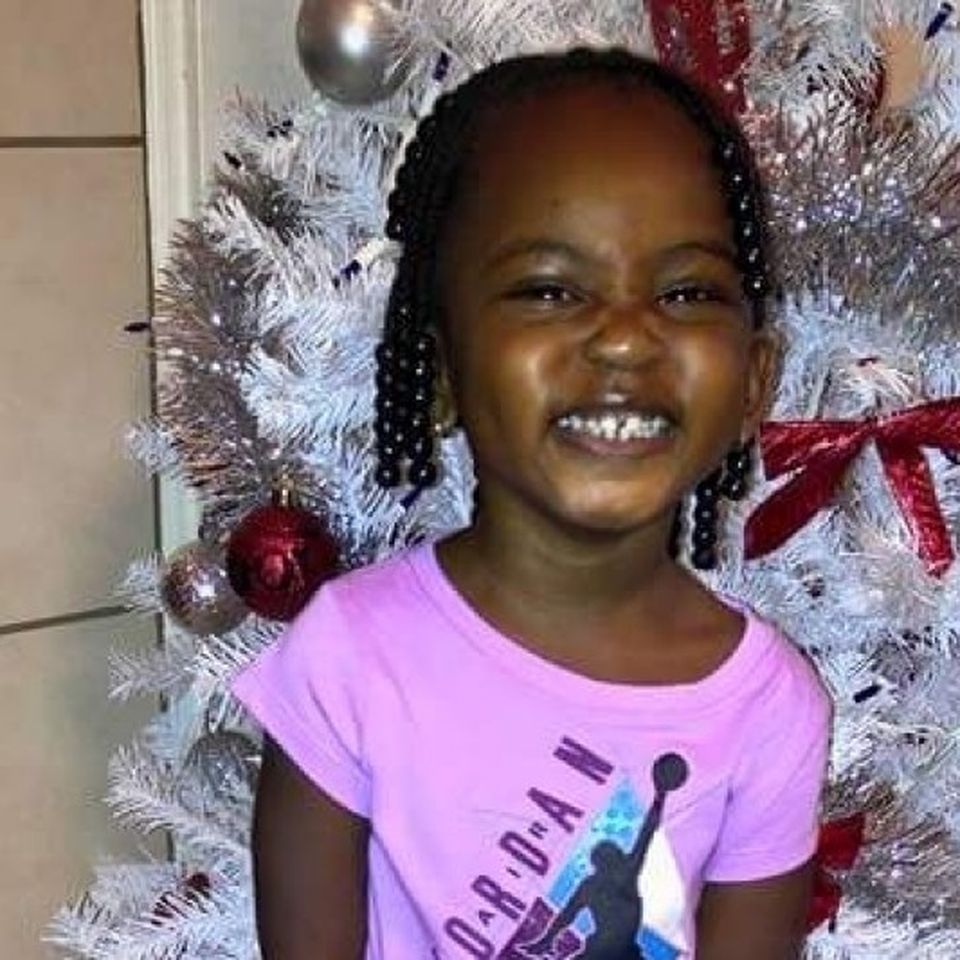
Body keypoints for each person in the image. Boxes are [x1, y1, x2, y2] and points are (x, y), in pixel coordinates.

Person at [232, 48, 832, 960]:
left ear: (754, 382)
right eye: (550, 291)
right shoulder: (351, 658)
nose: (626, 339)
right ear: (441, 366)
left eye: (686, 292)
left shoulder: (771, 708)